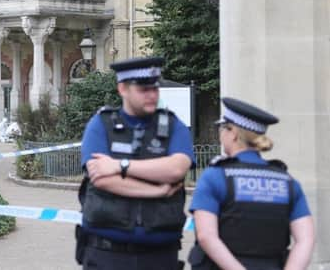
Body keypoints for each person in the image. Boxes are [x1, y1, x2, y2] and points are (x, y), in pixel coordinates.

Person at [76, 56, 195, 270]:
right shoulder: (101, 124)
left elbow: (177, 168)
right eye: (143, 90)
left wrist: (121, 166)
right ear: (123, 89)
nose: (152, 95)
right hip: (107, 254)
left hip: (159, 255)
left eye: (155, 89)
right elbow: (102, 179)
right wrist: (157, 191)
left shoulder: (172, 125)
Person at [189, 97, 315, 270]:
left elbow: (206, 236)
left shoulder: (215, 176)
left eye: (222, 128)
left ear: (232, 133)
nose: (220, 133)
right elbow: (305, 239)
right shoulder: (288, 182)